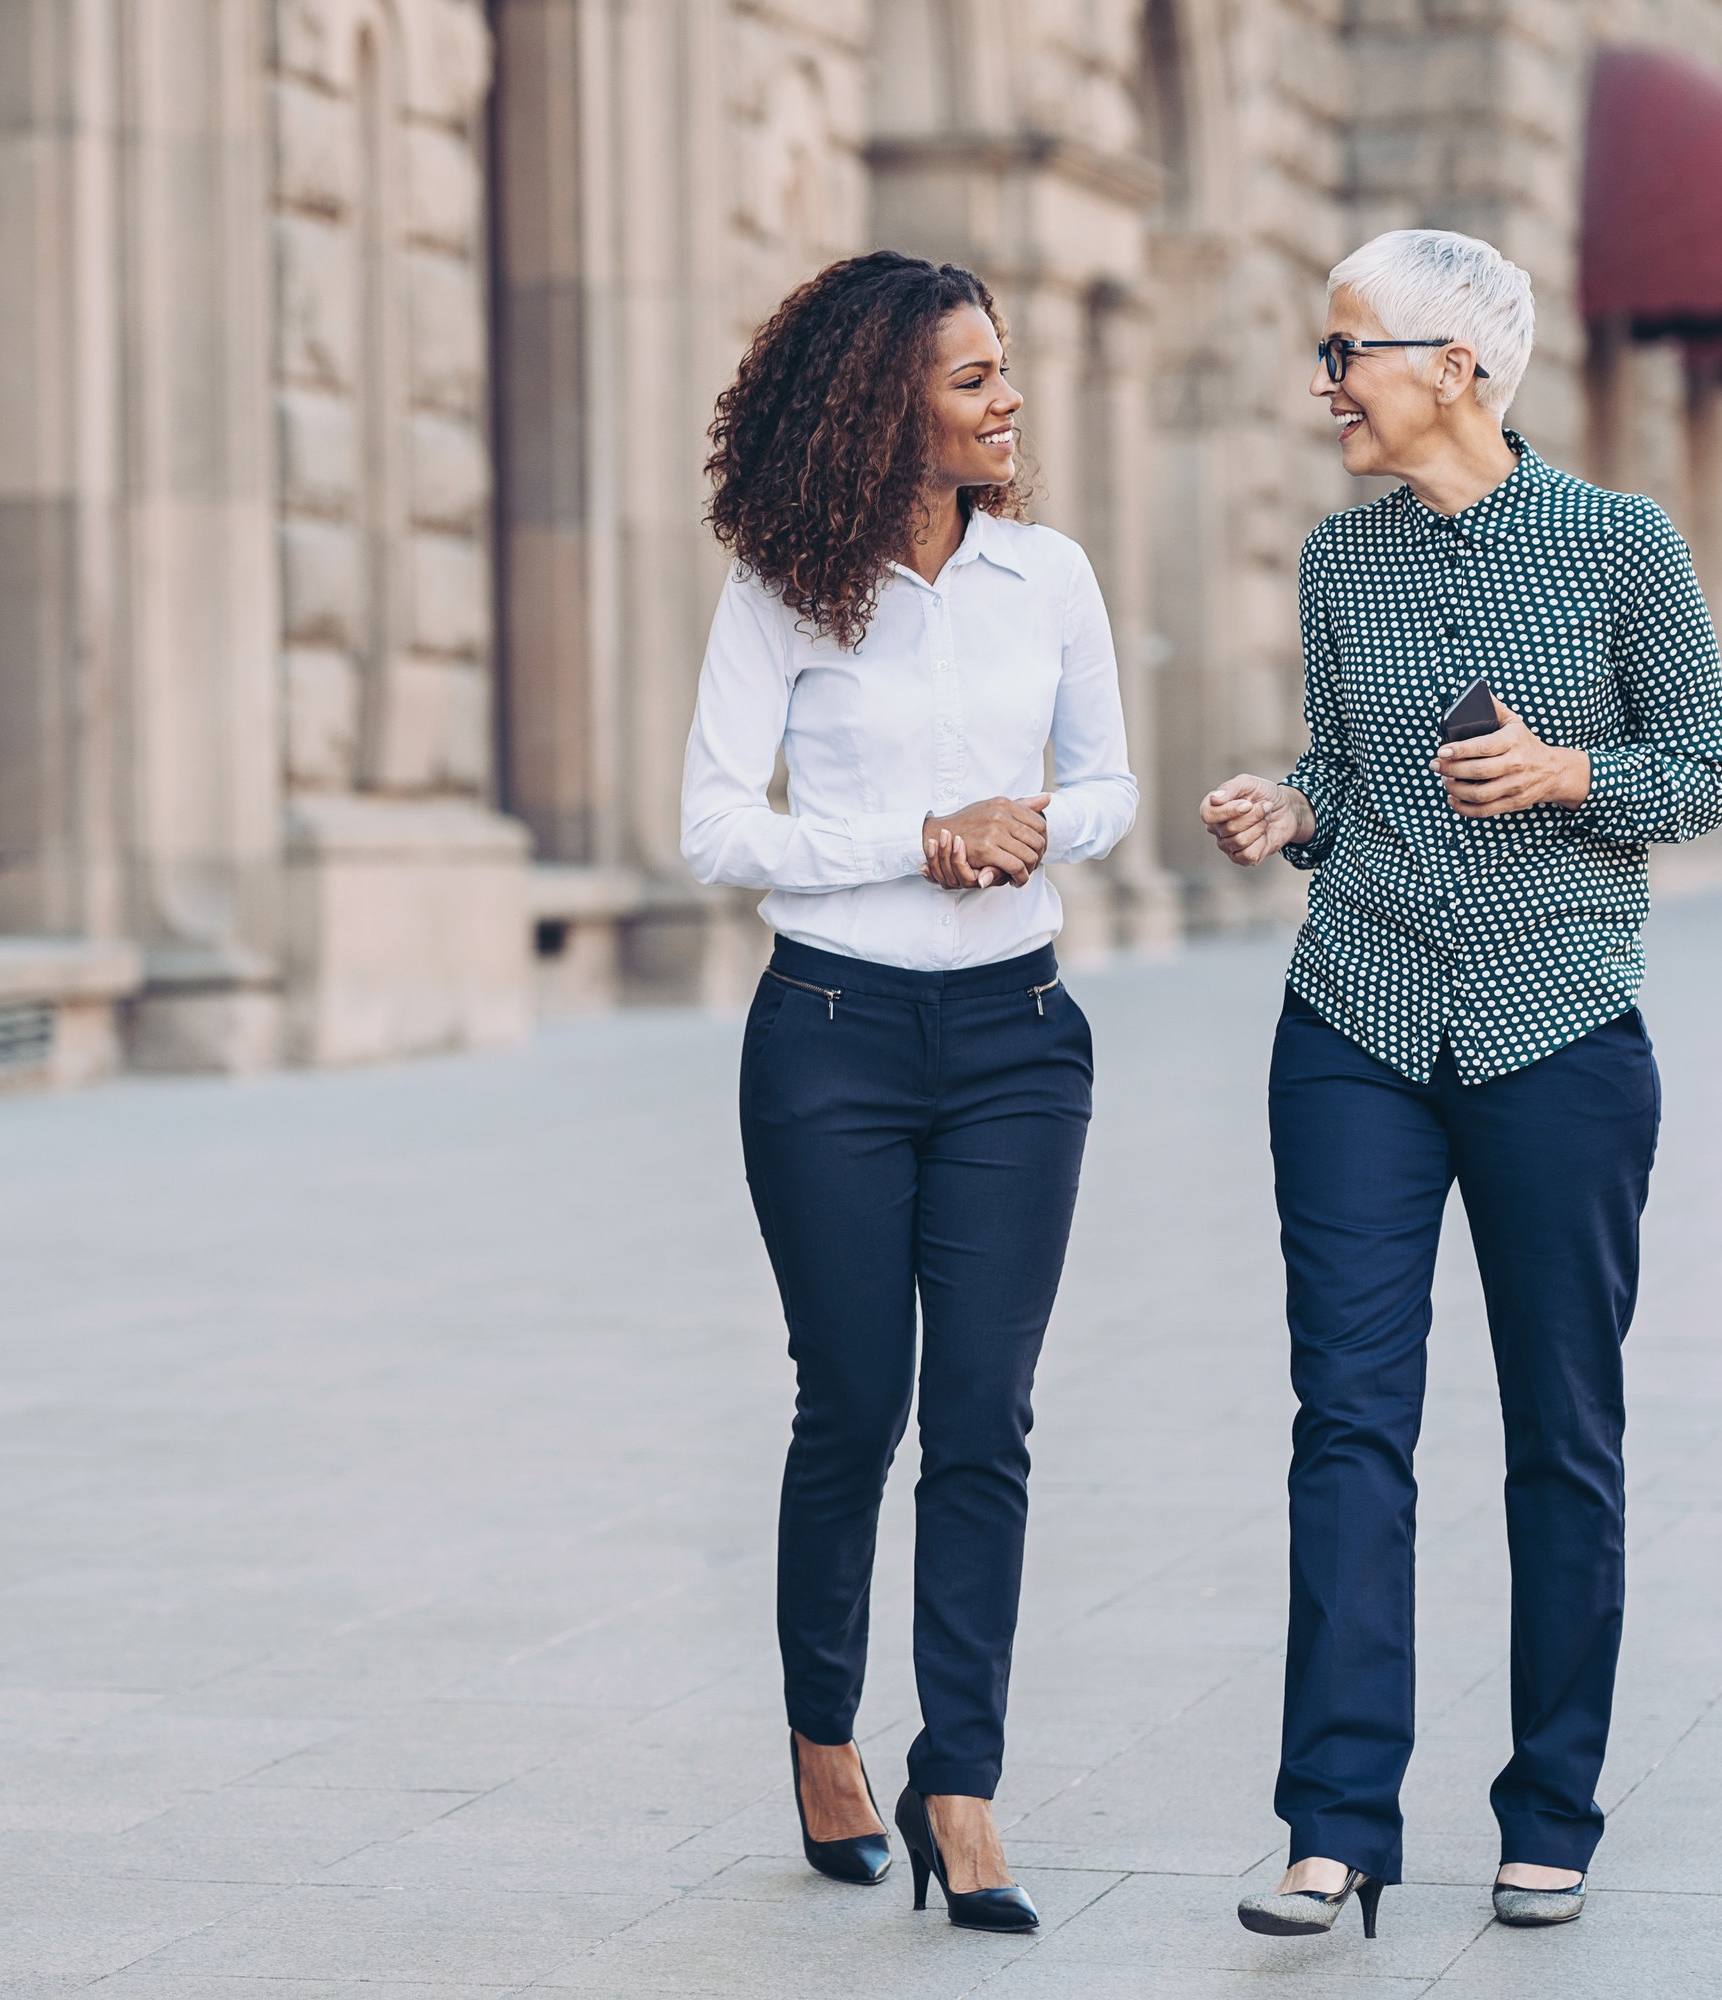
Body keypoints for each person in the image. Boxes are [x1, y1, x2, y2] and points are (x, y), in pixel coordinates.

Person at [1198, 229, 1722, 1940]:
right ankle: (1334, 1821)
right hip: (1352, 1026)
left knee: (1561, 1437)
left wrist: (1567, 768)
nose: (1321, 381)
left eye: (1344, 348)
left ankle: (1551, 1808)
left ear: (1455, 368)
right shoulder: (1336, 568)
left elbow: (1708, 770)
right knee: (1347, 1423)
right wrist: (1292, 808)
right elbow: (1349, 775)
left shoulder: (1620, 545)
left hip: (1557, 1037)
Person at [680, 251, 1138, 1934]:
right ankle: (823, 1735)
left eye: (1003, 368)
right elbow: (717, 827)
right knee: (855, 1402)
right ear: (888, 407)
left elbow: (1109, 781)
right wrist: (914, 837)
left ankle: (964, 1783)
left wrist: (1030, 822)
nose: (1007, 396)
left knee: (986, 1417)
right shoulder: (783, 593)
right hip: (830, 1043)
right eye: (971, 377)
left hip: (1019, 1045)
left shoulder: (1051, 578)